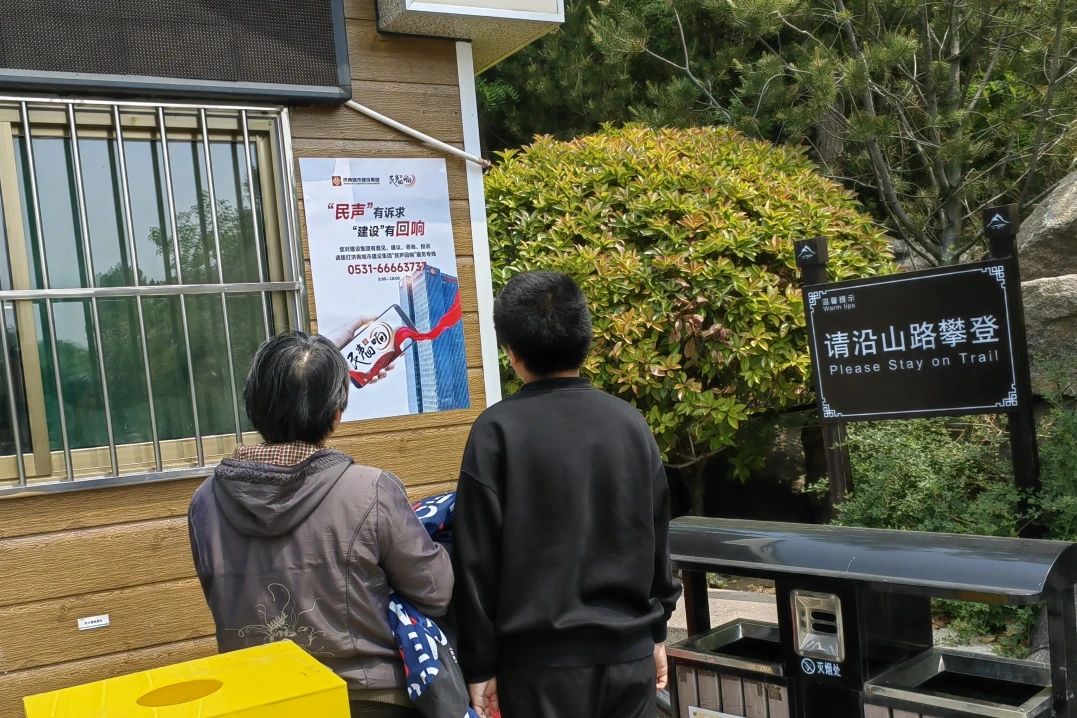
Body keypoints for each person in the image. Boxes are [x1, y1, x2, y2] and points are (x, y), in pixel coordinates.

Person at [451, 271, 682, 718]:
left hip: (538, 667)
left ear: (511, 352)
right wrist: (655, 631)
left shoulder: (496, 432)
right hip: (627, 656)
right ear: (585, 341)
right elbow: (657, 541)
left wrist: (479, 664)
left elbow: (475, 563)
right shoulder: (629, 424)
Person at [187, 331, 451, 718]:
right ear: (336, 413)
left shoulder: (205, 502)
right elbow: (435, 591)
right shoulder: (371, 490)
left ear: (254, 404)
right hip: (368, 700)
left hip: (261, 701)